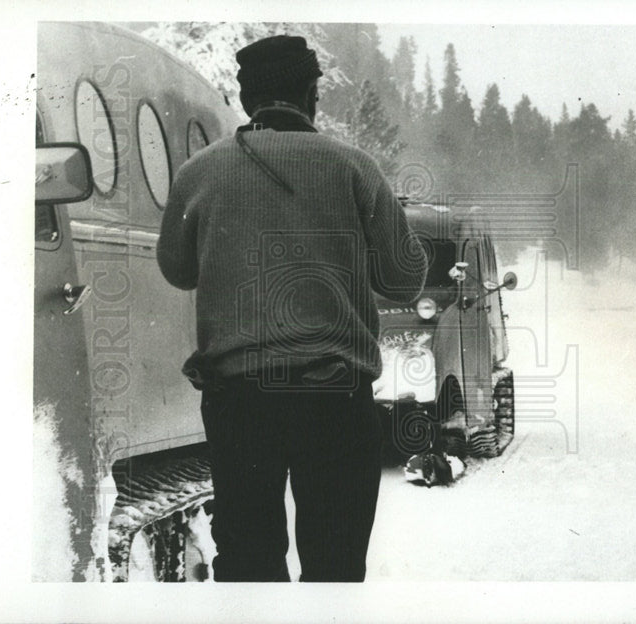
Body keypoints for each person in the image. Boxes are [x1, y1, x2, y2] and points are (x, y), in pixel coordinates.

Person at [157, 35, 428, 582]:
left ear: (245, 95)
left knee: (251, 567)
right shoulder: (354, 167)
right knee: (334, 568)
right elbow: (404, 280)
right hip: (334, 398)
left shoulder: (197, 175)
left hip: (239, 402)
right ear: (311, 95)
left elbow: (177, 270)